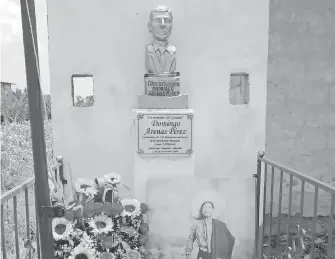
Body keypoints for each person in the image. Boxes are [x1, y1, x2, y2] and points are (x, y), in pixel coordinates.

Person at [145, 6, 176, 74]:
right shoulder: (149, 50)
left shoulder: (173, 50)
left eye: (167, 21)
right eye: (158, 20)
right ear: (150, 26)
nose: (163, 24)